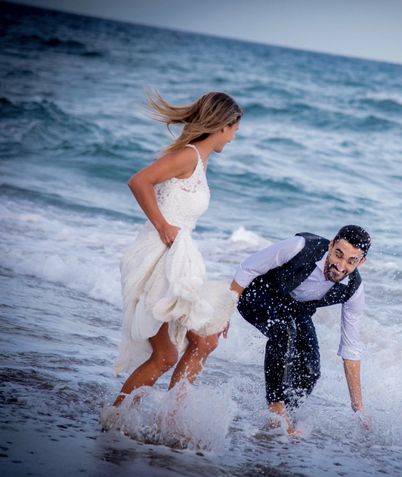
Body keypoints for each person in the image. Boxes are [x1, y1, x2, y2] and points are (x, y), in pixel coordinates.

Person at [112, 90, 243, 407]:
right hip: (158, 260)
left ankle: (171, 417)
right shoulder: (189, 156)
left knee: (205, 340)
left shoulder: (200, 161)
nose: (235, 136)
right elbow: (139, 181)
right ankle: (115, 416)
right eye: (235, 129)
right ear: (222, 126)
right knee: (165, 355)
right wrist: (161, 225)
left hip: (178, 260)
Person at [230, 225, 371, 434]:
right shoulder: (301, 247)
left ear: (361, 262)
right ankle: (277, 412)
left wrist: (358, 409)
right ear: (331, 245)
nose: (341, 266)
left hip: (296, 309)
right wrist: (223, 312)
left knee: (311, 371)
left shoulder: (353, 289)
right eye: (338, 255)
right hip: (259, 294)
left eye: (351, 261)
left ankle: (279, 416)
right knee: (284, 333)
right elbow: (248, 268)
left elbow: (350, 348)